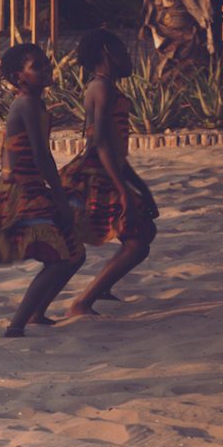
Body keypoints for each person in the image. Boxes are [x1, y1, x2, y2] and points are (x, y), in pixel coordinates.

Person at [0, 44, 87, 336]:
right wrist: (61, 198)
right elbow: (41, 155)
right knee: (59, 258)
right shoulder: (24, 104)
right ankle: (16, 325)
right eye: (37, 66)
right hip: (20, 189)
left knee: (75, 255)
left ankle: (37, 313)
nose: (47, 69)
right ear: (19, 76)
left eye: (46, 64)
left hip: (32, 184)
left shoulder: (35, 103)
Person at [60, 30, 158, 318]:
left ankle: (99, 290)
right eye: (123, 51)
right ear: (106, 52)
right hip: (96, 172)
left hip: (108, 169)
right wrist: (125, 191)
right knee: (138, 239)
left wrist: (141, 188)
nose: (129, 57)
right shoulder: (101, 88)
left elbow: (117, 151)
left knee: (139, 233)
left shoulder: (109, 88)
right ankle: (82, 302)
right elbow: (100, 144)